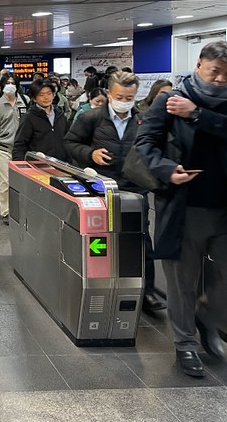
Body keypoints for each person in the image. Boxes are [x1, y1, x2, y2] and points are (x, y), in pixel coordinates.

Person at [133, 40, 227, 378]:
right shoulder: (168, 100)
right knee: (182, 283)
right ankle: (185, 345)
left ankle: (206, 318)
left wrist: (197, 115)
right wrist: (167, 170)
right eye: (216, 72)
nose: (222, 79)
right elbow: (145, 144)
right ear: (199, 64)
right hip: (183, 207)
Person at [64, 71, 164, 315]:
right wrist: (91, 154)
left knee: (140, 239)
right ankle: (99, 283)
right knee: (102, 239)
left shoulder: (143, 120)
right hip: (102, 188)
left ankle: (147, 290)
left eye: (129, 97)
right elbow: (69, 143)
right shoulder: (91, 118)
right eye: (120, 96)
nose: (124, 101)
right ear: (109, 93)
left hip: (134, 188)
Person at [0, 73, 29, 223]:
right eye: (7, 83)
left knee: (22, 183)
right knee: (5, 183)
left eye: (13, 82)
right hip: (2, 149)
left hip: (22, 150)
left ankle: (23, 211)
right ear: (2, 86)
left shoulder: (25, 101)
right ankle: (6, 212)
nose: (10, 85)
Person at [12, 79, 68, 161]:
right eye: (41, 95)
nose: (46, 97)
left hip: (61, 164)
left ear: (53, 95)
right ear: (34, 98)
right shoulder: (29, 117)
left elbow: (67, 139)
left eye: (49, 94)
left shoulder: (60, 115)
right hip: (38, 166)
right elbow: (20, 145)